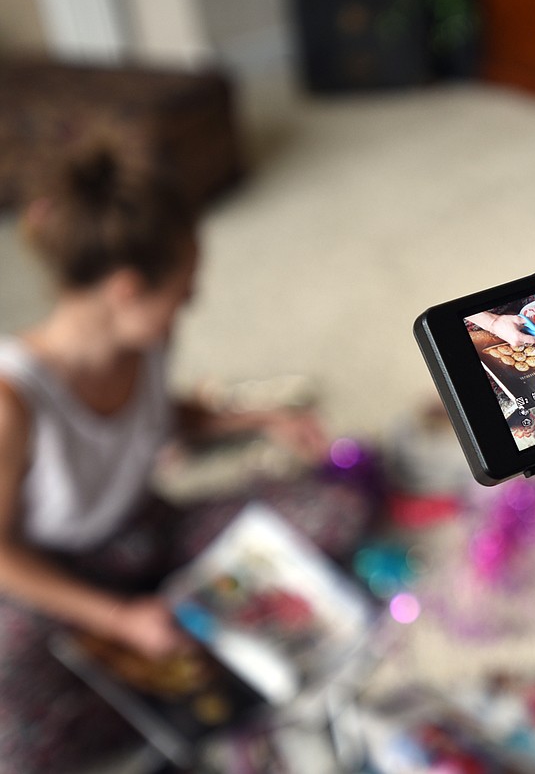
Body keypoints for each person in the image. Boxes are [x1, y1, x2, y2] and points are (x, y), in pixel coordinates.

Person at [0, 142, 366, 770]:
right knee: (18, 741)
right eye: (183, 289)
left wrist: (261, 420)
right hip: (57, 574)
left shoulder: (146, 338)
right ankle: (160, 644)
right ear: (125, 290)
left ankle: (171, 636)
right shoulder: (13, 400)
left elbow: (157, 414)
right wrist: (119, 620)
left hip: (149, 532)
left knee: (333, 509)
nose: (189, 304)